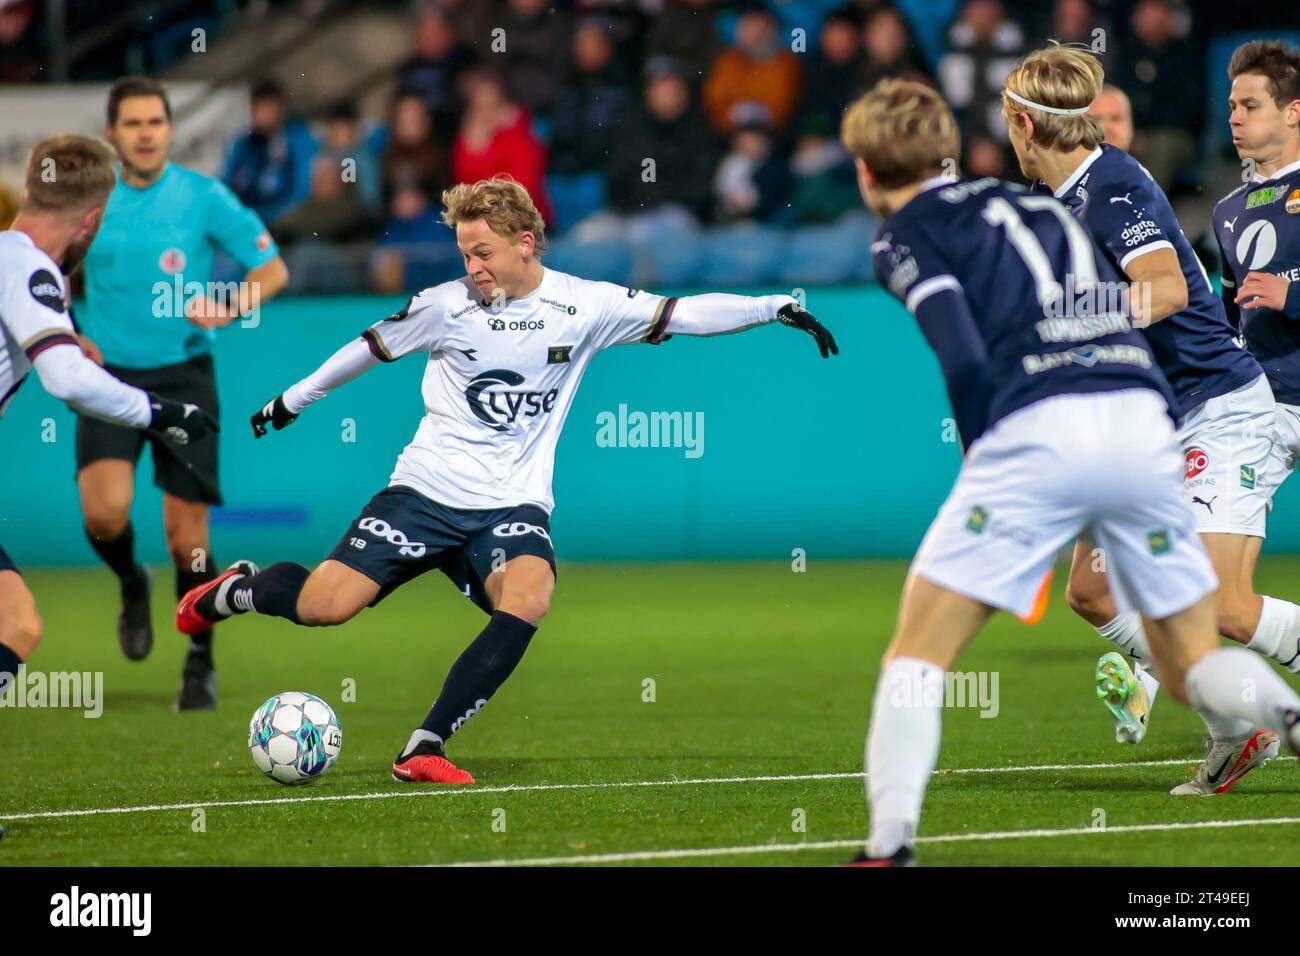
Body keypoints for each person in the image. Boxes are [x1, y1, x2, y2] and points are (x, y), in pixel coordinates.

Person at [175, 176, 838, 785]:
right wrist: (293, 400)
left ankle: (424, 747)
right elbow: (369, 347)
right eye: (464, 255)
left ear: (526, 243)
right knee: (326, 607)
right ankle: (240, 590)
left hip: (511, 505)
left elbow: (684, 314)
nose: (473, 269)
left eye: (483, 252)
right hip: (424, 494)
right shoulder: (444, 306)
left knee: (528, 595)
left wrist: (773, 305)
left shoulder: (586, 305)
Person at [840, 78, 1300, 866]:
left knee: (916, 654)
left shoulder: (909, 235)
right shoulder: (1036, 202)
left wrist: (988, 462)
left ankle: (888, 847)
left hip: (1088, 418)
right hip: (1139, 415)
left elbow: (962, 352)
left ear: (865, 169)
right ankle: (1277, 717)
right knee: (1186, 650)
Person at [1004, 44, 1295, 795]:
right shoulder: (1058, 204)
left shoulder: (1112, 184)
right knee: (1093, 593)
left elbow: (1162, 290)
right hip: (1144, 427)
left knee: (1225, 608)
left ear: (1024, 124)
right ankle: (1238, 729)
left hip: (1217, 411)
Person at [76, 76, 288, 710]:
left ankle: (200, 658)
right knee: (104, 515)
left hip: (185, 376)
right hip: (107, 376)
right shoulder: (88, 200)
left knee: (186, 539)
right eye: (133, 123)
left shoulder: (202, 196)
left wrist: (231, 305)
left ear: (170, 131)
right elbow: (49, 272)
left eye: (156, 123)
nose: (145, 133)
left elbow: (272, 268)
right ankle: (130, 581)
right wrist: (65, 335)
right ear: (111, 133)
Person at [1, 134, 214, 700]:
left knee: (17, 621)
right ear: (91, 220)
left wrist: (69, 341)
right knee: (16, 626)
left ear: (29, 188)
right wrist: (161, 411)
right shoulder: (32, 272)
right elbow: (65, 379)